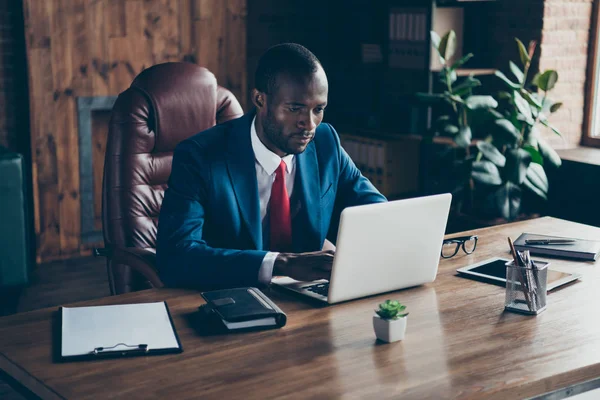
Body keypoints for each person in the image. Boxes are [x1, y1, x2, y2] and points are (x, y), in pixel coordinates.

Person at [156, 43, 387, 289]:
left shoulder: (325, 142)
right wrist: (280, 263)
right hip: (231, 295)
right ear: (260, 99)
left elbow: (376, 213)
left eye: (318, 109)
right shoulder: (200, 156)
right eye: (295, 108)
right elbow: (176, 256)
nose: (309, 124)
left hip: (306, 298)